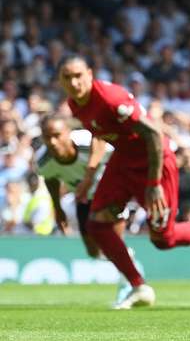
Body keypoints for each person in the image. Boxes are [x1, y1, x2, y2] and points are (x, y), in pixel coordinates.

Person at [57, 54, 190, 309]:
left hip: (155, 163)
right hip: (122, 162)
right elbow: (100, 133)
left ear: (90, 74)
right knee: (96, 225)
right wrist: (89, 175)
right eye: (67, 77)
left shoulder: (111, 99)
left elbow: (152, 133)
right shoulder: (75, 104)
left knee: (163, 239)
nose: (74, 82)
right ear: (60, 81)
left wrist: (153, 184)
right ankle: (138, 286)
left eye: (78, 76)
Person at [35, 114, 136, 303]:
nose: (53, 142)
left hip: (111, 191)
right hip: (84, 197)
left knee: (113, 241)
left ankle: (129, 286)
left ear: (68, 133)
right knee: (93, 251)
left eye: (57, 135)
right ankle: (126, 258)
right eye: (48, 137)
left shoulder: (88, 142)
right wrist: (57, 208)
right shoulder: (43, 161)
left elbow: (118, 153)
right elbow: (51, 179)